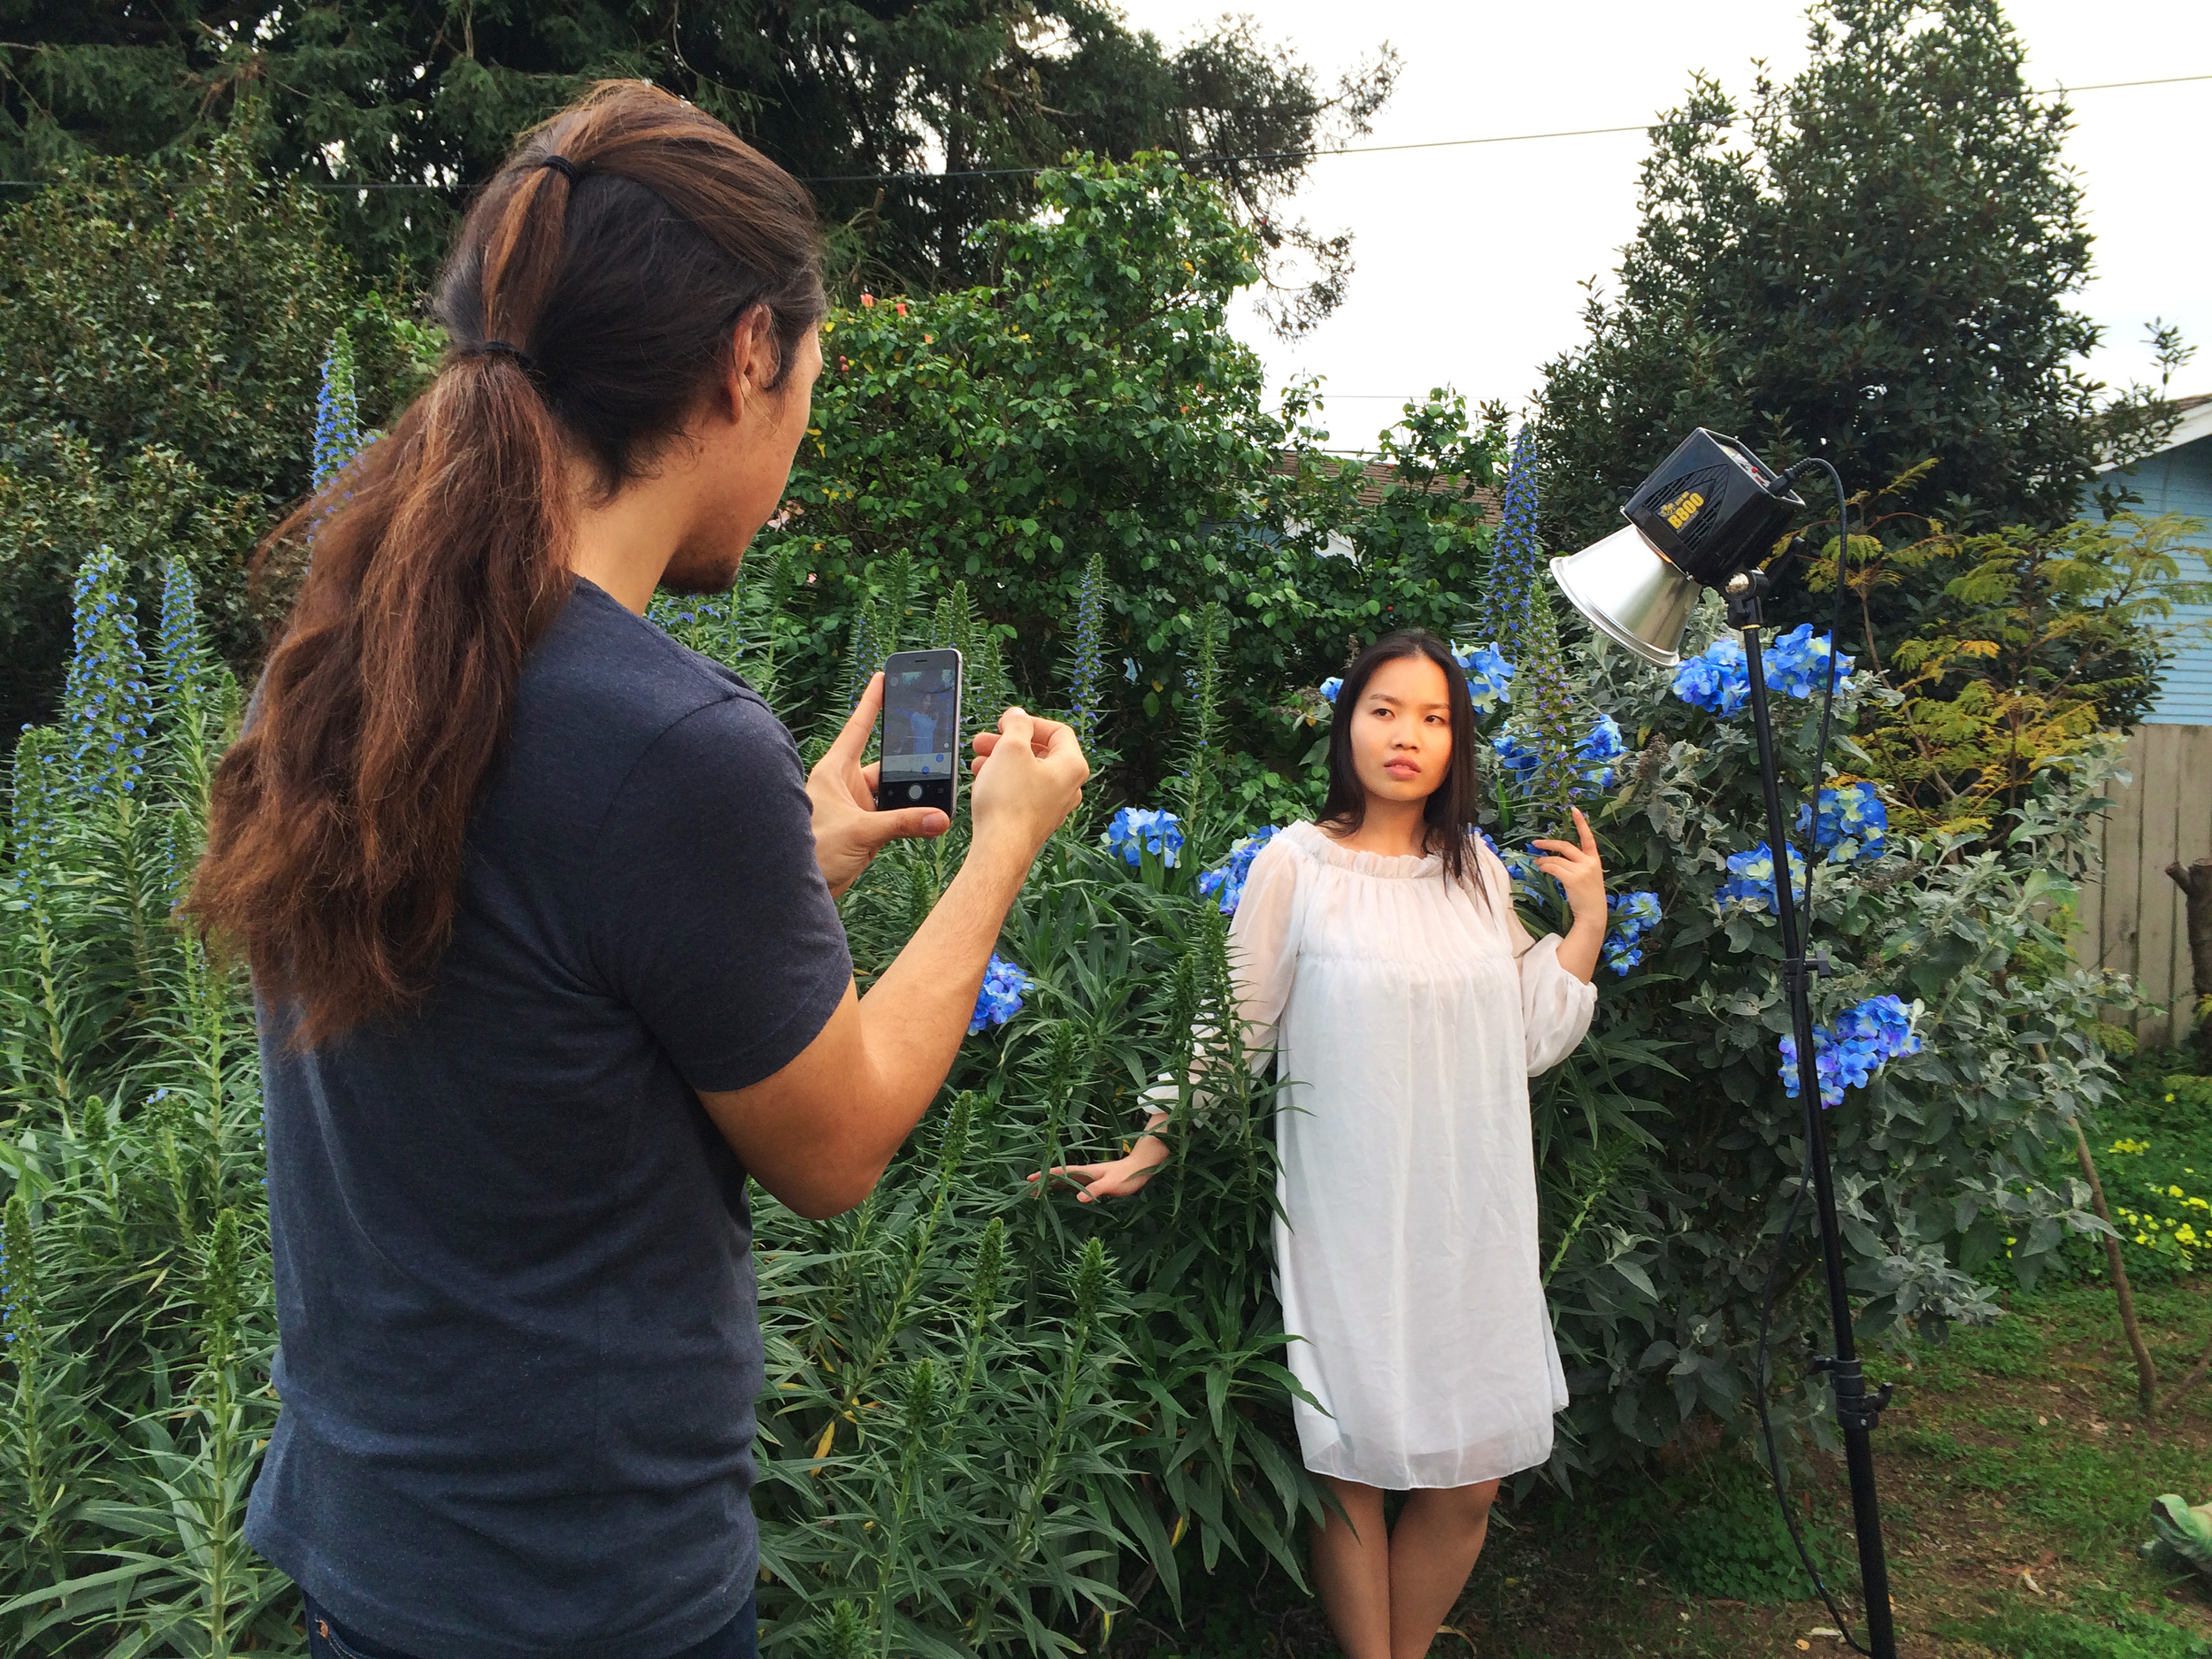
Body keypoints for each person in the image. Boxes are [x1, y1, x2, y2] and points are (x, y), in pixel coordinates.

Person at [188, 82, 1087, 1659]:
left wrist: (786, 863)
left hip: (375, 1565)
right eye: (812, 372)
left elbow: (533, 993)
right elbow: (839, 1146)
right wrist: (998, 849)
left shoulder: (341, 671)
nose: (803, 419)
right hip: (583, 1601)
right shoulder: (671, 743)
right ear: (749, 353)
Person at [1040, 630, 1606, 1659]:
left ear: (1457, 743)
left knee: (1469, 1478)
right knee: (1351, 1468)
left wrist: (1586, 924)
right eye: (1385, 709)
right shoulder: (1294, 866)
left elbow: (1527, 1037)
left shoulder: (1473, 869)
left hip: (1469, 1211)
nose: (1407, 736)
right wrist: (1149, 1147)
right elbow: (1233, 1024)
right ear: (1347, 724)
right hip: (1347, 1206)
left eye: (1435, 718)